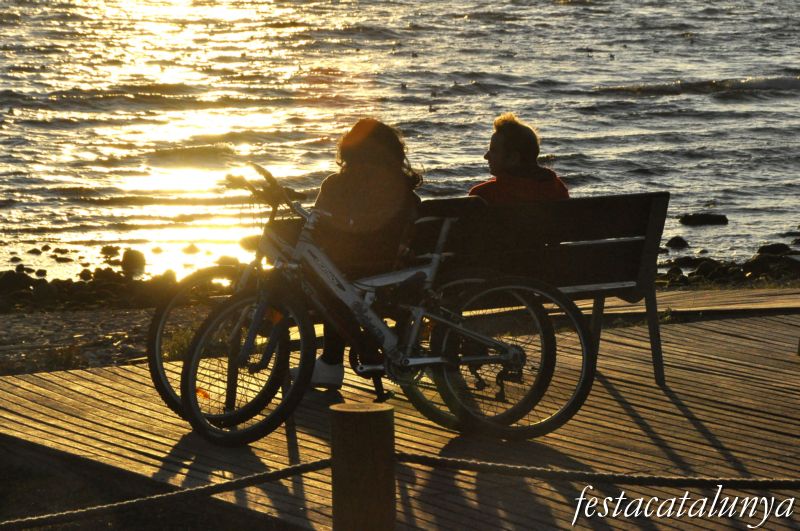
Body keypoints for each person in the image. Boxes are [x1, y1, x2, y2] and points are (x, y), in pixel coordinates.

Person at [304, 118, 423, 388]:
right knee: (335, 276)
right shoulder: (404, 190)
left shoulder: (337, 185)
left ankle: (331, 362)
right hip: (396, 277)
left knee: (328, 277)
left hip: (353, 275)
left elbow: (317, 229)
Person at [469, 113, 568, 203]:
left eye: (493, 150)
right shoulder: (557, 188)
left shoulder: (482, 196)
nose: (486, 156)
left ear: (513, 158)